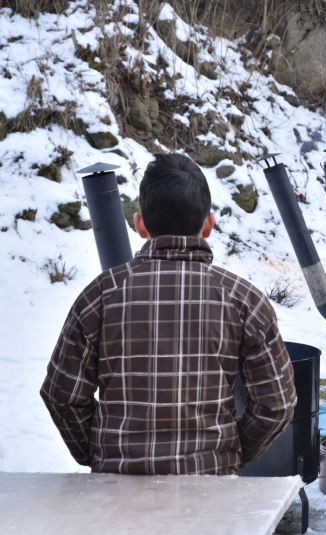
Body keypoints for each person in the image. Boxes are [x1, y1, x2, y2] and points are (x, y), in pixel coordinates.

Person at [40, 153, 297, 475]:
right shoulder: (245, 301)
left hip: (116, 490)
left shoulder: (100, 296)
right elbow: (277, 404)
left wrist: (96, 454)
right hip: (211, 489)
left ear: (140, 225)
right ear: (208, 225)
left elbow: (61, 396)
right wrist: (230, 454)